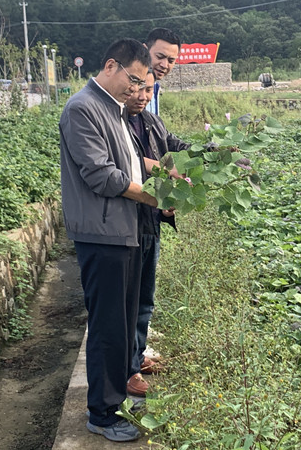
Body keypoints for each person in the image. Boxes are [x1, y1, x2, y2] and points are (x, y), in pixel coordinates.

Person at [59, 38, 171, 443]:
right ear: (111, 66)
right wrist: (155, 197)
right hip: (101, 234)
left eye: (144, 83)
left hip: (121, 231)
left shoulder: (114, 110)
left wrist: (164, 173)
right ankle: (102, 414)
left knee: (124, 323)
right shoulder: (82, 109)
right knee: (108, 326)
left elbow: (130, 161)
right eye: (135, 80)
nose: (139, 89)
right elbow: (102, 174)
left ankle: (118, 394)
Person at [124, 69, 191, 396]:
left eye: (149, 89)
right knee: (126, 302)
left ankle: (137, 358)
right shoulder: (116, 123)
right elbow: (131, 165)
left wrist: (215, 150)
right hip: (124, 226)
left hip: (149, 222)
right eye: (138, 87)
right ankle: (127, 369)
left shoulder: (151, 123)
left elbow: (173, 150)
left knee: (144, 301)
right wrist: (165, 171)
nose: (143, 95)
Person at [144, 28, 182, 116]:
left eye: (171, 61)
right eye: (160, 57)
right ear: (144, 50)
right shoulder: (127, 90)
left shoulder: (155, 88)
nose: (164, 65)